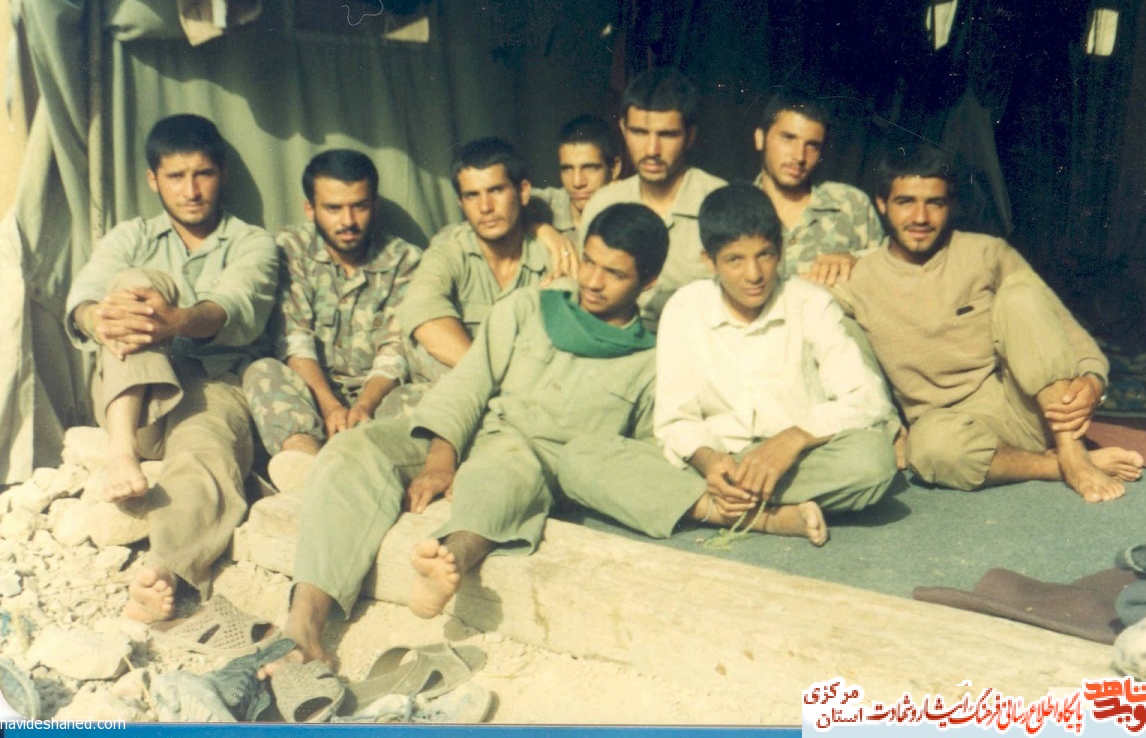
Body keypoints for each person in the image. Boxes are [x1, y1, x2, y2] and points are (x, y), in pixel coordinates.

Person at [275, 203, 697, 660]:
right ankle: (304, 624)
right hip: (462, 432)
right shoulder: (528, 308)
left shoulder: (651, 362)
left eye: (614, 273)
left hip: (527, 465)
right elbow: (468, 385)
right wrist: (441, 457)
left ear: (648, 281)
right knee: (353, 449)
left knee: (502, 474)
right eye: (589, 261)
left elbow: (632, 454)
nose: (593, 281)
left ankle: (446, 560)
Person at [829, 144, 1144, 502]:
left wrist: (1093, 378)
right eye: (906, 202)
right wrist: (826, 262)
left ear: (950, 205)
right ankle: (1056, 466)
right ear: (882, 204)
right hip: (951, 428)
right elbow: (798, 309)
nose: (920, 217)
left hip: (1031, 409)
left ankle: (1072, 451)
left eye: (934, 203)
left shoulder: (985, 252)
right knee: (928, 449)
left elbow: (1058, 322)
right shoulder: (858, 277)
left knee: (1020, 294)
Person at [64, 114, 278, 622]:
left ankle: (164, 573)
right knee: (134, 283)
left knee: (206, 452)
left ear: (222, 174)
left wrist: (175, 321)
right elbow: (83, 299)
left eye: (203, 174)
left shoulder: (252, 242)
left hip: (214, 382)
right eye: (176, 176)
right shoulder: (131, 236)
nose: (191, 190)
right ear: (152, 179)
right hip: (133, 402)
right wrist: (102, 318)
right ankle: (120, 453)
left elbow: (233, 306)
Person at [654, 184, 898, 547]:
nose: (754, 274)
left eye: (765, 255)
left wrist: (793, 439)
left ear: (781, 249)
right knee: (592, 459)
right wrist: (709, 461)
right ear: (709, 261)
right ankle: (770, 517)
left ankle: (712, 505)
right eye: (735, 260)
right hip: (719, 462)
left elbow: (866, 398)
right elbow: (676, 418)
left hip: (798, 462)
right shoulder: (685, 307)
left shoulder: (810, 303)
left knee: (873, 462)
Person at [241, 149, 422, 468]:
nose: (348, 221)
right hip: (310, 393)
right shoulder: (290, 248)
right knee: (261, 372)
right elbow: (295, 340)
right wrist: (329, 406)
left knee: (425, 396)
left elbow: (394, 352)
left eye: (359, 206)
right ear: (310, 209)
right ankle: (304, 460)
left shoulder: (405, 260)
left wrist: (365, 405)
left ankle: (363, 466)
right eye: (334, 208)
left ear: (374, 206)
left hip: (378, 396)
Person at [396, 137, 553, 382]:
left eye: (496, 190)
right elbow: (423, 314)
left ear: (523, 192)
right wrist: (494, 378)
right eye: (472, 195)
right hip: (473, 387)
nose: (485, 207)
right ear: (461, 203)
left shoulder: (552, 256)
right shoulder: (448, 252)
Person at [580, 67, 727, 329]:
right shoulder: (603, 204)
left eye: (667, 135)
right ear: (623, 129)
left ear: (690, 136)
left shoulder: (721, 203)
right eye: (639, 132)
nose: (652, 150)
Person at [753, 91, 884, 285]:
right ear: (760, 138)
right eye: (788, 138)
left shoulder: (850, 205)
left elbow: (887, 277)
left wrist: (856, 263)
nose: (799, 156)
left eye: (812, 146)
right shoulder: (733, 210)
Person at [533, 115, 623, 244]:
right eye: (567, 169)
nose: (577, 182)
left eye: (589, 168)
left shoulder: (632, 207)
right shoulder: (549, 205)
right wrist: (539, 228)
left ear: (615, 168)